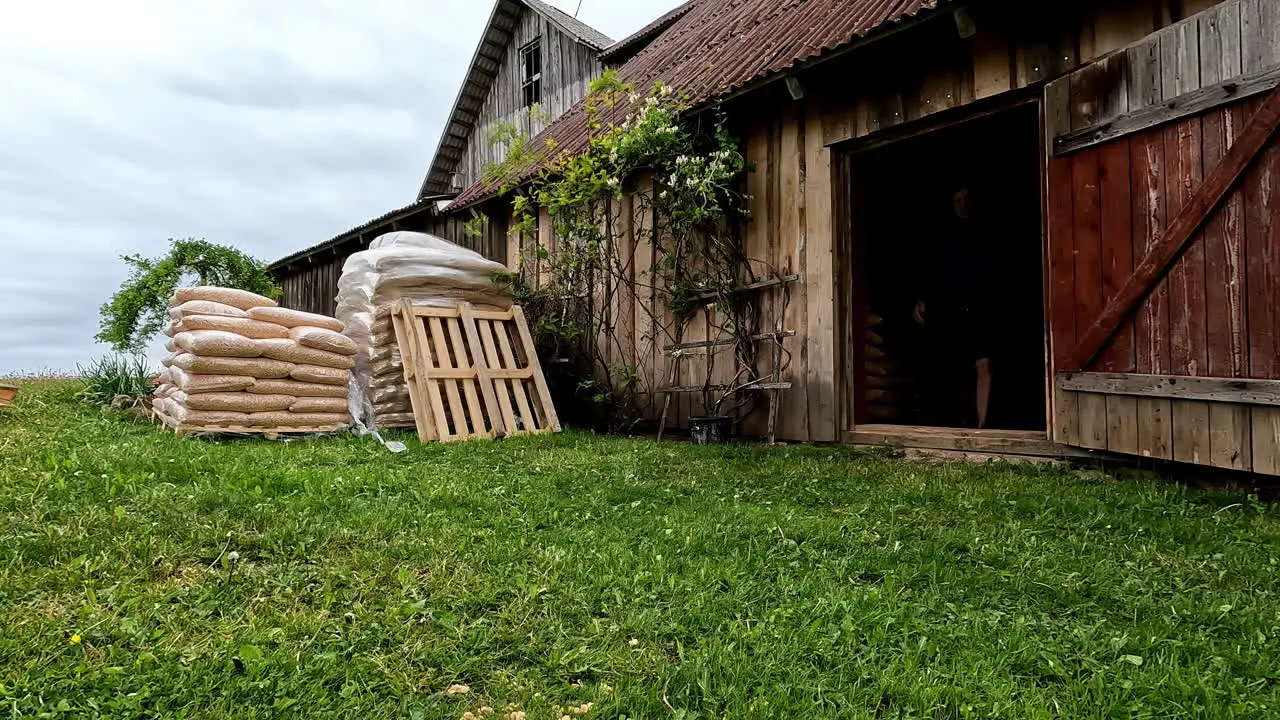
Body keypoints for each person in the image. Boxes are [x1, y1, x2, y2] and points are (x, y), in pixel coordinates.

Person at [912, 187, 994, 429]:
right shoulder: (943, 235)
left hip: (980, 304)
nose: (962, 204)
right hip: (950, 306)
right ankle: (957, 420)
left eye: (966, 199)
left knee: (983, 362)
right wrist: (922, 299)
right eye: (957, 200)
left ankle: (982, 423)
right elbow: (931, 270)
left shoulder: (986, 232)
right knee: (953, 364)